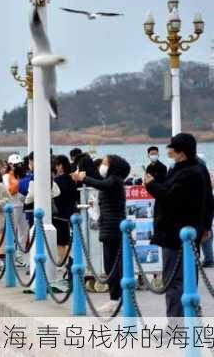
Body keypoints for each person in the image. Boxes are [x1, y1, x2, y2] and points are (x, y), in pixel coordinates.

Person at [144, 133, 211, 320]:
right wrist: (205, 226)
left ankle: (176, 322)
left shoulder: (190, 172)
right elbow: (209, 200)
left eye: (172, 146)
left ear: (181, 151)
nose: (168, 150)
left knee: (174, 279)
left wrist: (151, 185)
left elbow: (171, 198)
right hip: (186, 231)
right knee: (187, 276)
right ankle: (190, 315)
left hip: (176, 233)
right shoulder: (188, 168)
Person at [72, 154, 130, 313]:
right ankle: (115, 298)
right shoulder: (112, 181)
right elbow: (101, 185)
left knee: (115, 266)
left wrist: (83, 178)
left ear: (113, 166)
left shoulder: (115, 180)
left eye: (105, 163)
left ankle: (118, 299)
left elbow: (101, 185)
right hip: (108, 228)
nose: (102, 165)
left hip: (114, 229)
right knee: (110, 266)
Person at [53, 155, 76, 263]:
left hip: (58, 214)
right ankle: (68, 260)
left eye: (56, 165)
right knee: (67, 240)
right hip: (70, 213)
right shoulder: (71, 179)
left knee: (60, 242)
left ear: (60, 166)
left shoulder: (56, 181)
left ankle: (62, 261)